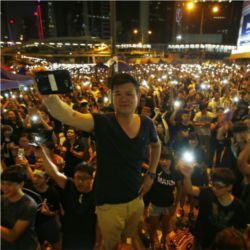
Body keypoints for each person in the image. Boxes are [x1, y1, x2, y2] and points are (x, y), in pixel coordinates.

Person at [39, 73, 161, 249]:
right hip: (109, 203)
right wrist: (49, 98)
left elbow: (156, 146)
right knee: (112, 245)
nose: (123, 99)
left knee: (130, 236)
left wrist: (151, 173)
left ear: (138, 96)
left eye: (128, 94)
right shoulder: (103, 122)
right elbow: (70, 116)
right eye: (118, 94)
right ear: (111, 96)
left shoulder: (147, 123)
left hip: (137, 197)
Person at [38, 146, 100, 250]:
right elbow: (54, 173)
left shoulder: (96, 193)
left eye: (85, 178)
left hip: (88, 237)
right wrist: (42, 153)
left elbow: (98, 222)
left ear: (91, 179)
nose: (80, 182)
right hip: (68, 235)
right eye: (78, 177)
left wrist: (98, 243)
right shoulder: (69, 185)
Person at [178, 164, 247, 249]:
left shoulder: (239, 207)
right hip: (200, 242)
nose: (214, 188)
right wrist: (187, 176)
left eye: (218, 186)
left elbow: (241, 232)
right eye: (213, 184)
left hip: (220, 246)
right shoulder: (208, 193)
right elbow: (190, 190)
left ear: (229, 187)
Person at [148, 151, 181, 249]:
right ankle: (151, 241)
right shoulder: (156, 170)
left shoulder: (176, 173)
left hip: (168, 204)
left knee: (165, 225)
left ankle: (163, 241)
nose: (164, 162)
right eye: (162, 159)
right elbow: (148, 181)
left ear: (171, 160)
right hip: (155, 204)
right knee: (153, 225)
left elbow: (180, 189)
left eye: (167, 159)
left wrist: (175, 205)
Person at [1, 165, 38, 250]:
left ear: (21, 184)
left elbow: (12, 236)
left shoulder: (29, 205)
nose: (4, 187)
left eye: (9, 184)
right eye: (2, 183)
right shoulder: (3, 199)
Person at [31, 169, 62, 250]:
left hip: (48, 223)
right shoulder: (30, 189)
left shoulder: (53, 192)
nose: (35, 179)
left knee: (57, 245)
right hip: (34, 224)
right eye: (34, 176)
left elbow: (57, 212)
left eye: (39, 177)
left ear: (46, 180)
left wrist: (48, 213)